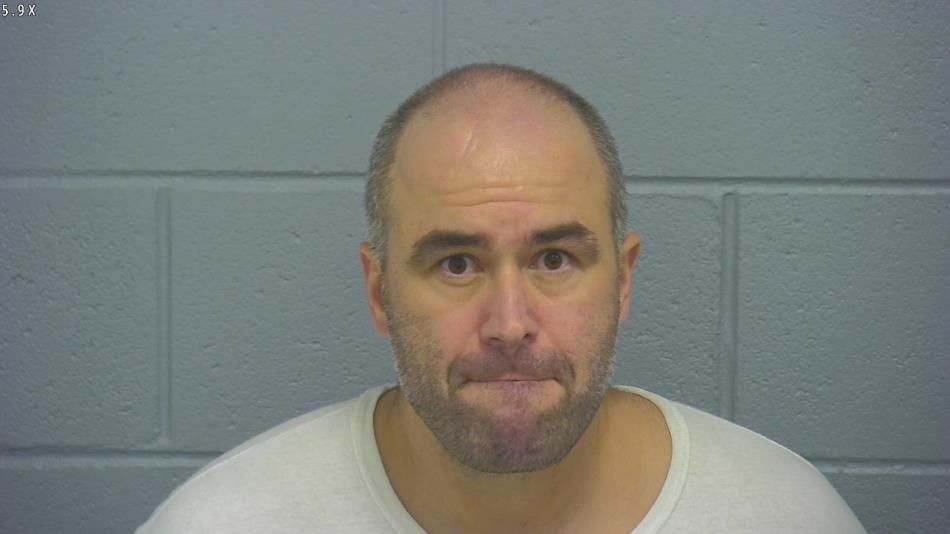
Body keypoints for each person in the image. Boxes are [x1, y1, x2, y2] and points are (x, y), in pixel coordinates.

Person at [138, 63, 865, 533]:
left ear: (623, 281)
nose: (510, 324)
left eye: (554, 259)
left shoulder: (787, 517)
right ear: (379, 292)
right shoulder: (222, 522)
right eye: (457, 264)